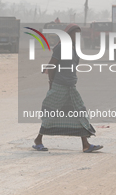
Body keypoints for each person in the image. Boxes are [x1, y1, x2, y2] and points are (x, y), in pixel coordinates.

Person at [33, 24, 103, 153]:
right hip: (60, 86)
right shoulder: (61, 48)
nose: (76, 36)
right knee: (51, 114)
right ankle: (38, 140)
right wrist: (51, 83)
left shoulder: (74, 49)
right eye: (74, 33)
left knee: (80, 114)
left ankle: (86, 144)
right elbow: (52, 66)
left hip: (71, 87)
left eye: (78, 34)